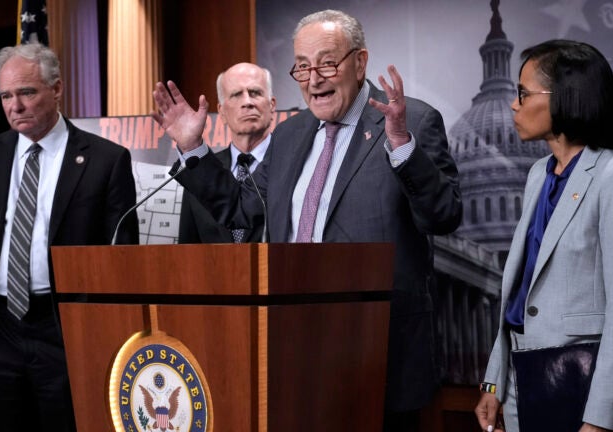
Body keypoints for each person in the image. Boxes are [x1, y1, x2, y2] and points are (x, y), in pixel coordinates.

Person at [152, 9, 462, 431]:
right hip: (295, 348)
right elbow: (242, 213)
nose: (313, 78)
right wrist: (193, 149)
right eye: (302, 66)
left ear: (360, 61)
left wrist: (404, 148)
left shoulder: (411, 121)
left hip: (379, 354)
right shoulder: (289, 134)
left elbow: (443, 216)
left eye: (327, 63)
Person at [0, 42, 139, 432]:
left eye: (27, 92)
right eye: (6, 95)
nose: (14, 106)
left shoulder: (106, 159)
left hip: (64, 330)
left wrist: (94, 330)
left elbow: (121, 258)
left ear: (57, 89)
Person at [474, 40, 613, 432]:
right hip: (523, 380)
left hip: (583, 385)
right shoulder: (538, 174)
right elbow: (518, 295)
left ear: (565, 98)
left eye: (523, 93)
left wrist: (600, 419)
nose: (514, 105)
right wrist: (493, 382)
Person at [178, 62, 276, 243]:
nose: (247, 102)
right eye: (236, 95)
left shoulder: (290, 164)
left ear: (272, 106)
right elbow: (188, 248)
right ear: (222, 112)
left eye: (255, 92)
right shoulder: (200, 170)